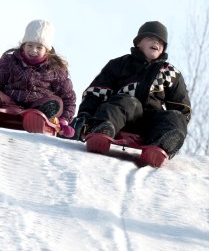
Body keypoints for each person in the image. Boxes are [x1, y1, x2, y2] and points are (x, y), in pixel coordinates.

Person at [74, 20, 191, 158]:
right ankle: (102, 129)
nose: (156, 43)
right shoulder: (120, 64)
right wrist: (85, 116)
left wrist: (177, 123)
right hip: (122, 120)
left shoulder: (170, 73)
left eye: (160, 42)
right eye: (151, 39)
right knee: (127, 102)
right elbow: (96, 93)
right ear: (138, 43)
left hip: (151, 125)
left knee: (175, 117)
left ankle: (162, 143)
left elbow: (182, 108)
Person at [0, 19, 76, 136]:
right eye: (30, 45)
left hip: (37, 105)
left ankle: (40, 116)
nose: (33, 50)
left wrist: (64, 121)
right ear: (23, 45)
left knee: (56, 102)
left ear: (47, 50)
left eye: (39, 47)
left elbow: (68, 97)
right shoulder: (9, 61)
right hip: (9, 103)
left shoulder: (55, 69)